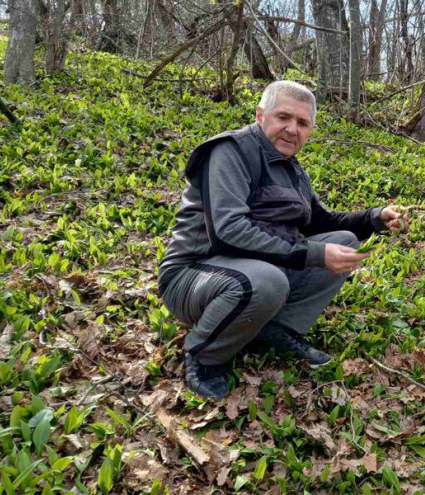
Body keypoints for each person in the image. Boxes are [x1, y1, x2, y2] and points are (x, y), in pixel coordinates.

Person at [158, 81, 407, 399]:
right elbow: (227, 233)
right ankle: (203, 356)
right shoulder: (230, 151)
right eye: (283, 117)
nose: (292, 129)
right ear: (261, 116)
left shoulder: (292, 171)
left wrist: (375, 217)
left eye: (302, 123)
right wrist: (313, 254)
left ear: (311, 130)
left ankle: (276, 329)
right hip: (192, 275)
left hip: (248, 273)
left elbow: (322, 222)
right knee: (269, 280)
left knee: (343, 239)